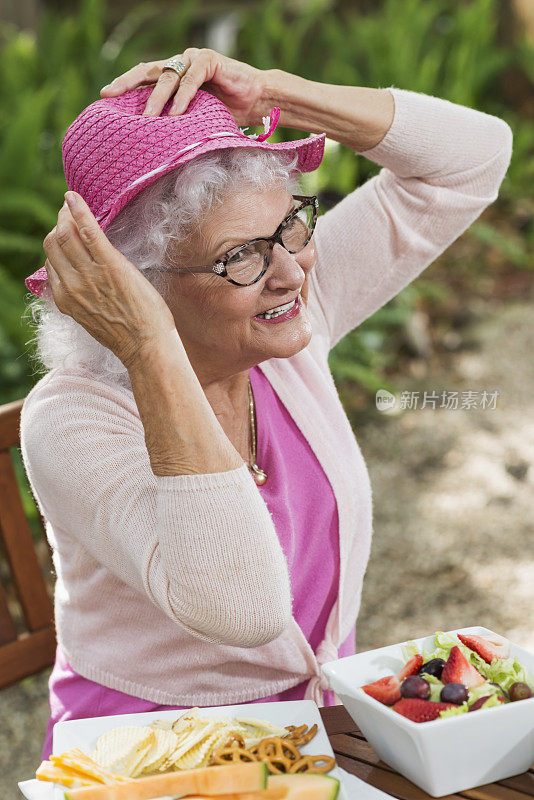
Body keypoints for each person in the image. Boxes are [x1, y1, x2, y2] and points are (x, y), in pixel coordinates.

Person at [20, 48, 513, 760]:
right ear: (137, 288)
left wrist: (277, 93)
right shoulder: (72, 418)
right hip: (150, 753)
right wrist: (151, 348)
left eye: (291, 225)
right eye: (238, 257)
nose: (289, 271)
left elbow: (474, 159)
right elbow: (244, 611)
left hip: (321, 733)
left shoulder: (278, 327)